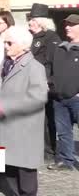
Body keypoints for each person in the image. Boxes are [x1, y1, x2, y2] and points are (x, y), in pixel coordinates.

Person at [0, 27, 47, 196]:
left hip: (24, 129)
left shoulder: (35, 67)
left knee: (25, 176)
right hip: (6, 128)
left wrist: (6, 107)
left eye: (9, 42)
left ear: (23, 46)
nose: (5, 46)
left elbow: (39, 97)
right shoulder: (5, 65)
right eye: (5, 42)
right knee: (9, 173)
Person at [27, 3, 61, 160]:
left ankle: (48, 150)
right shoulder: (29, 36)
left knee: (46, 119)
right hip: (29, 83)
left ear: (41, 21)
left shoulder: (51, 38)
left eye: (33, 19)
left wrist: (47, 81)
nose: (30, 22)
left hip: (43, 84)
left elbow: (53, 62)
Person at [46, 14, 79, 171]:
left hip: (77, 98)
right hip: (59, 98)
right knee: (63, 132)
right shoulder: (60, 48)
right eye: (66, 24)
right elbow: (51, 69)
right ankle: (66, 161)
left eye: (71, 25)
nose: (67, 27)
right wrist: (51, 85)